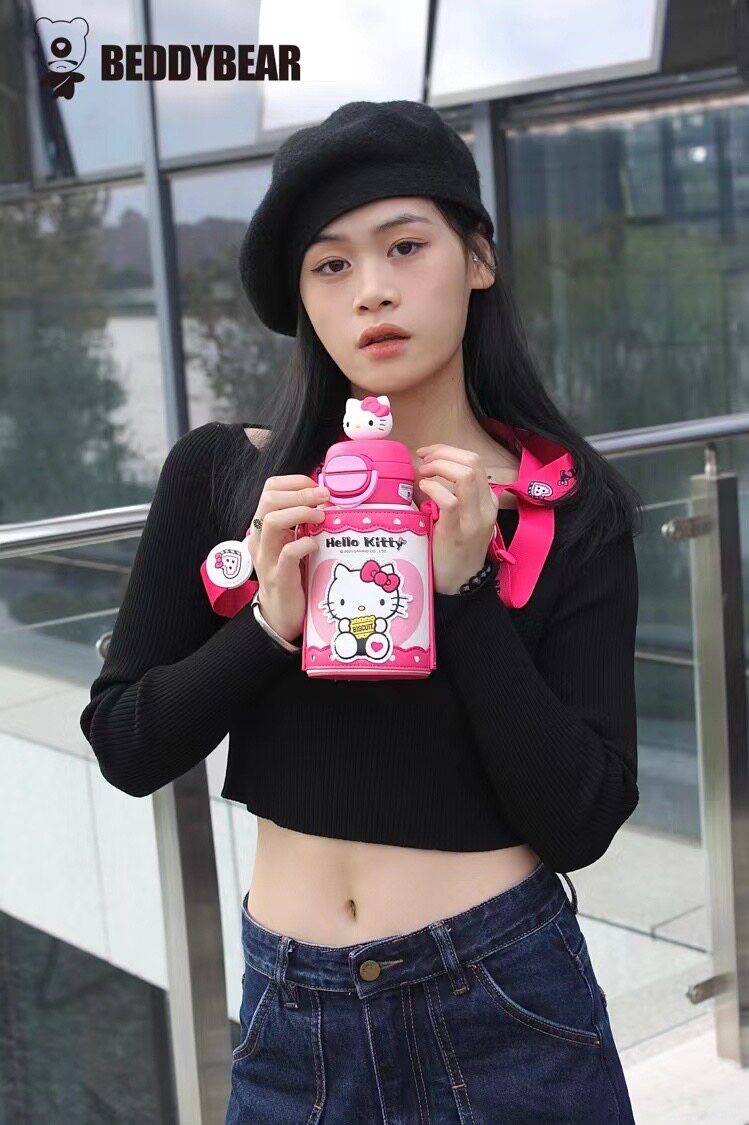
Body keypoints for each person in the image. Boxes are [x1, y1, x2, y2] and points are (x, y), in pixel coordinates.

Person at [81, 99, 644, 1123]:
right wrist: (268, 626)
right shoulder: (232, 481)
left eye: (405, 246)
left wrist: (464, 590)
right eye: (330, 264)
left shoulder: (562, 506)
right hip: (290, 1020)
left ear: (478, 259)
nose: (372, 289)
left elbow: (583, 817)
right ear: (304, 300)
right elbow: (126, 743)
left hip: (503, 1001)